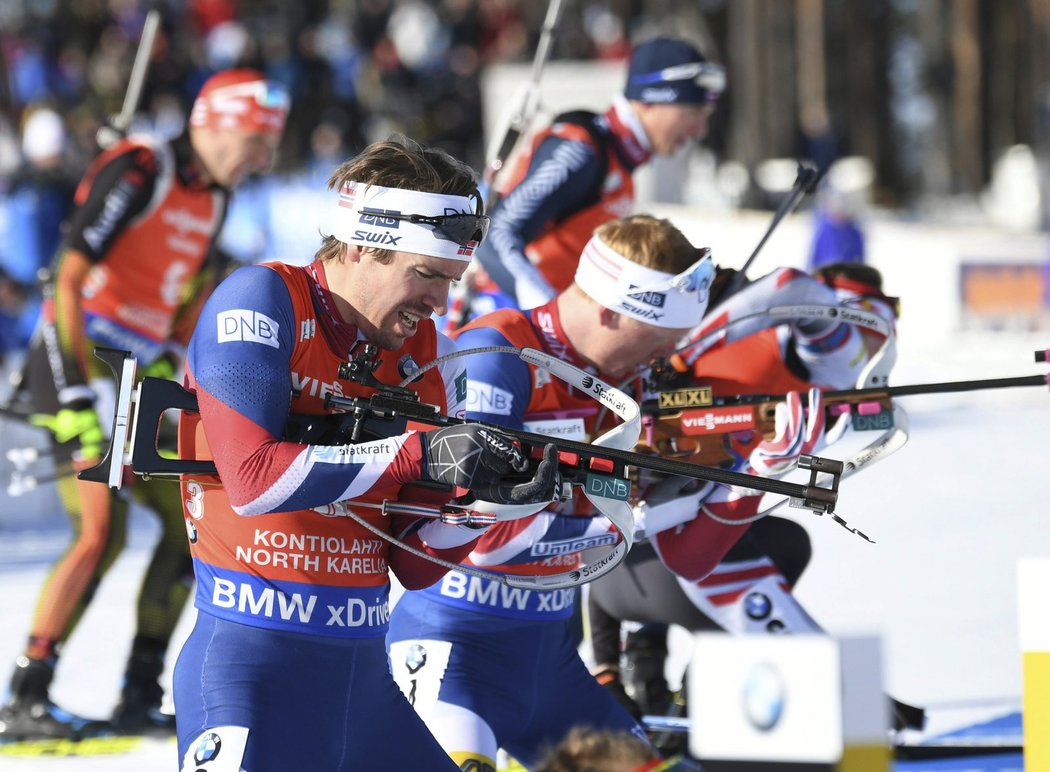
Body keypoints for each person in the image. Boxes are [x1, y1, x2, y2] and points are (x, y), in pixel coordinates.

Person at [171, 135, 560, 771]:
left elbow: (418, 564)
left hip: (365, 684)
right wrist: (417, 454)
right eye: (426, 275)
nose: (439, 303)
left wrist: (485, 504)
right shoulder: (262, 299)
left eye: (452, 281)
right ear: (360, 244)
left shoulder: (421, 353)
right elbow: (251, 480)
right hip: (252, 672)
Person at [387, 214, 738, 770]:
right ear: (608, 309)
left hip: (550, 668)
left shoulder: (626, 380)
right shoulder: (500, 355)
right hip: (453, 655)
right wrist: (636, 522)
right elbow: (487, 538)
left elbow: (690, 561)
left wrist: (759, 467)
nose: (656, 361)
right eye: (656, 342)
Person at [0, 68, 290, 741]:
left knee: (190, 531)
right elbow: (67, 278)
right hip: (78, 359)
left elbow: (175, 303)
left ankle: (139, 687)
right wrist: (71, 389)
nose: (262, 156)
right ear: (209, 122)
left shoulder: (214, 196)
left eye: (269, 142)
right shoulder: (142, 167)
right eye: (253, 138)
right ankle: (26, 691)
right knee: (101, 533)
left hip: (136, 365)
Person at [587, 263, 907, 725]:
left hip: (629, 570)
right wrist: (680, 356)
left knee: (785, 542)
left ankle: (684, 686)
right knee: (721, 530)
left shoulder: (787, 362)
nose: (878, 345)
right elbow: (790, 286)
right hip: (641, 565)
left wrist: (606, 669)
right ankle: (841, 703)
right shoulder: (829, 348)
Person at [468, 36, 725, 315]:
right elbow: (494, 234)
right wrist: (551, 312)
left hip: (541, 324)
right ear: (651, 100)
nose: (700, 130)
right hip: (505, 318)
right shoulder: (581, 150)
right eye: (693, 112)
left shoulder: (621, 160)